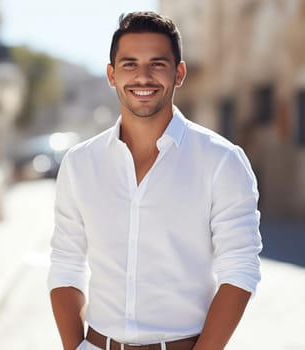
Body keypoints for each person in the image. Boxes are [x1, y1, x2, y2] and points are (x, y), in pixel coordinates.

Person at [48, 12, 262, 350]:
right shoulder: (80, 163)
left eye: (157, 64)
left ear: (179, 73)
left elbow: (240, 268)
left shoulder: (222, 161)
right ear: (111, 74)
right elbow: (66, 263)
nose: (143, 77)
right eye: (129, 64)